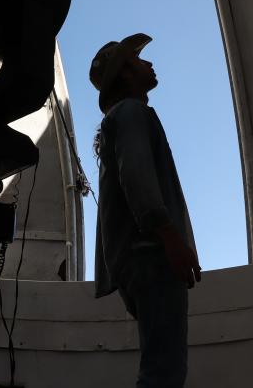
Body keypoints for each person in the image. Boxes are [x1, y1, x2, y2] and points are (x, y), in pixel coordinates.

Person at [90, 33, 202, 388]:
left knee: (161, 367)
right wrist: (170, 237)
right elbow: (137, 176)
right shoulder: (131, 112)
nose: (149, 63)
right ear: (125, 73)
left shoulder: (120, 118)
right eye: (138, 60)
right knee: (164, 372)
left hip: (137, 258)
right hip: (151, 252)